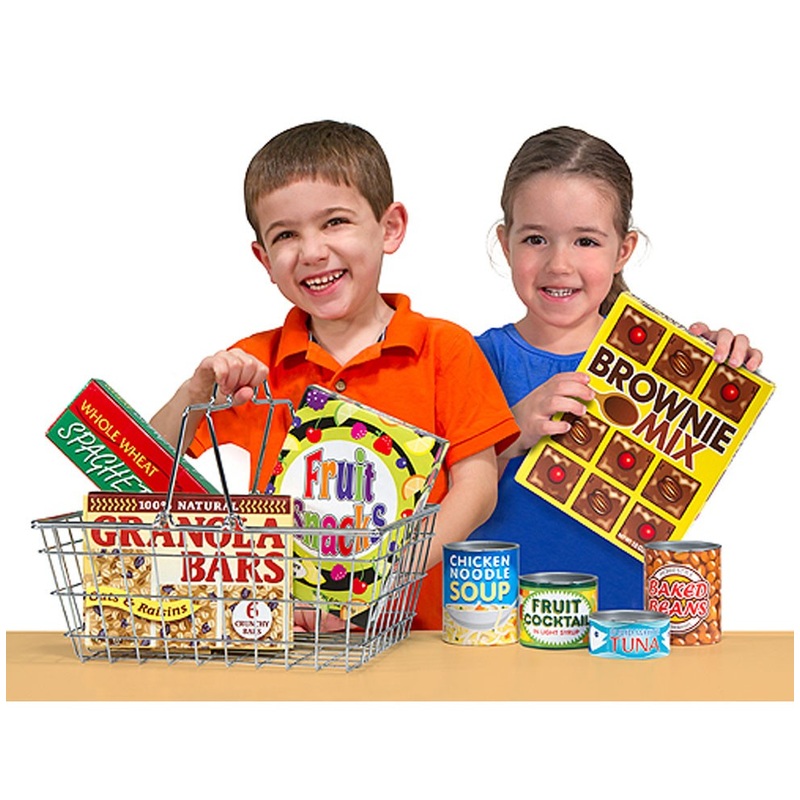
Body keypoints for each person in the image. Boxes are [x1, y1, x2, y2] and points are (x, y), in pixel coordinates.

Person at [150, 120, 519, 630]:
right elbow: (142, 476)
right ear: (264, 258)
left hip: (420, 635)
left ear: (390, 228)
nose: (312, 251)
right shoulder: (253, 365)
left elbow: (477, 491)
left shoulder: (443, 349)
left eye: (335, 222)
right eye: (285, 235)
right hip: (285, 637)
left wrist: (369, 586)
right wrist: (193, 396)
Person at [467, 126, 762, 610]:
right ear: (505, 243)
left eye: (586, 241)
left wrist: (723, 375)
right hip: (497, 626)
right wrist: (510, 431)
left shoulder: (663, 363)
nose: (559, 264)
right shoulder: (474, 360)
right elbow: (432, 506)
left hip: (628, 623)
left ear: (623, 249)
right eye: (536, 239)